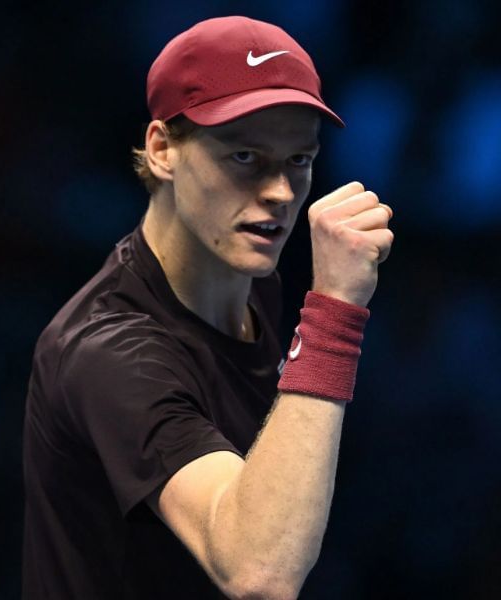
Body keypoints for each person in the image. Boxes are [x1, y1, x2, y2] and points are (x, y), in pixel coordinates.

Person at [23, 16, 393, 599]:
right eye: (244, 156)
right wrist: (335, 311)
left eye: (299, 160)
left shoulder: (255, 285)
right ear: (163, 149)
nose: (280, 191)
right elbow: (259, 573)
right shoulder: (110, 352)